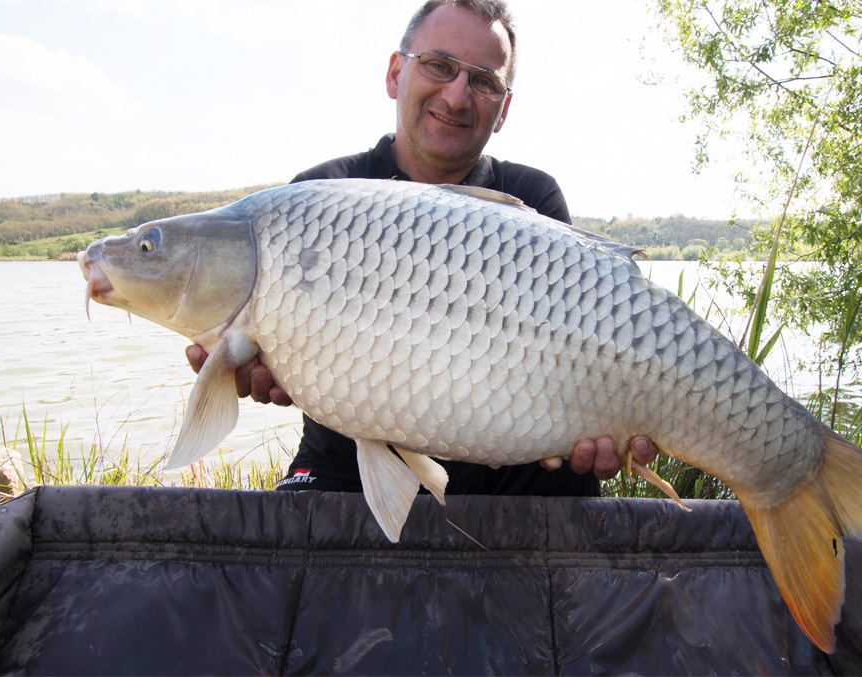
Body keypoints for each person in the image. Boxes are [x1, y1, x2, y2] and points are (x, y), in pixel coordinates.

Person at [186, 0, 657, 495]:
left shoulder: (533, 202)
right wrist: (250, 368)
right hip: (346, 464)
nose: (456, 96)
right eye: (439, 66)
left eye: (483, 81)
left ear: (503, 109)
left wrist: (611, 425)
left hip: (520, 475)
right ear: (395, 73)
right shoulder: (319, 195)